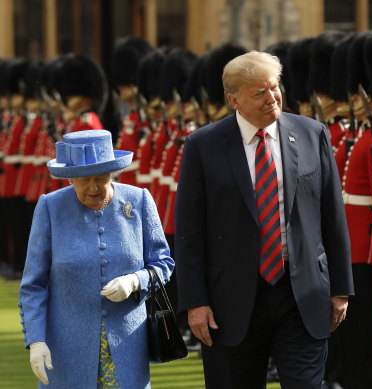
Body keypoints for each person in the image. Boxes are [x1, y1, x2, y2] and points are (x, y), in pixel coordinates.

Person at [174, 50, 353, 389]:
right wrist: (194, 302)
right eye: (259, 93)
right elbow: (189, 232)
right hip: (232, 300)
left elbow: (332, 215)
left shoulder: (312, 134)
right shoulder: (203, 146)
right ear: (234, 100)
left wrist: (341, 288)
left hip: (302, 295)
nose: (272, 98)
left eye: (274, 88)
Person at [18, 129, 174, 388]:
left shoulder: (139, 200)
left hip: (128, 347)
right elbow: (33, 285)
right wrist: (36, 340)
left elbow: (163, 263)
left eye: (101, 178)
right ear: (70, 179)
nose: (93, 188)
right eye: (83, 180)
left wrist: (136, 281)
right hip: (67, 352)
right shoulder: (50, 207)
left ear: (112, 173)